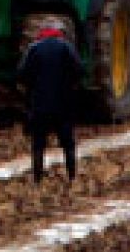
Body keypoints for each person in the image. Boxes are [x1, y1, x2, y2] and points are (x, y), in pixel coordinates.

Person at [17, 26, 82, 184]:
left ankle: (37, 179)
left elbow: (23, 72)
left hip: (39, 105)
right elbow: (79, 69)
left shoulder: (34, 48)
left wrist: (30, 89)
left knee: (38, 144)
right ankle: (72, 176)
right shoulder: (67, 47)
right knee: (68, 144)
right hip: (63, 105)